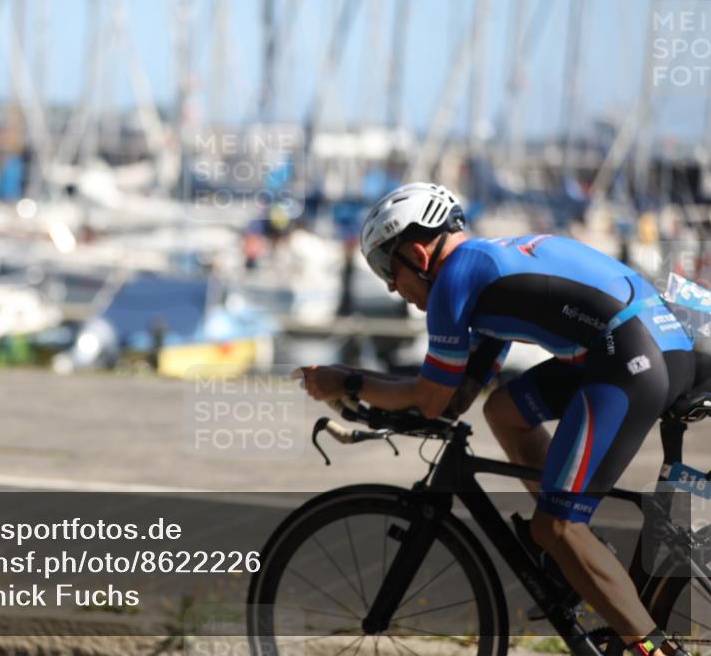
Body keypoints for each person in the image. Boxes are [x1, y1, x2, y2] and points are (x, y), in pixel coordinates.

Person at [294, 182, 695, 656]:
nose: (388, 286)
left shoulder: (453, 281)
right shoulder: (484, 271)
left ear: (418, 254)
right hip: (647, 346)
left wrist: (348, 381)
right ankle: (579, 556)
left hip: (630, 361)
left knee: (556, 527)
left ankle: (653, 648)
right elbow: (456, 396)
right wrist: (406, 405)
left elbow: (428, 397)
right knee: (503, 411)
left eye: (386, 267)